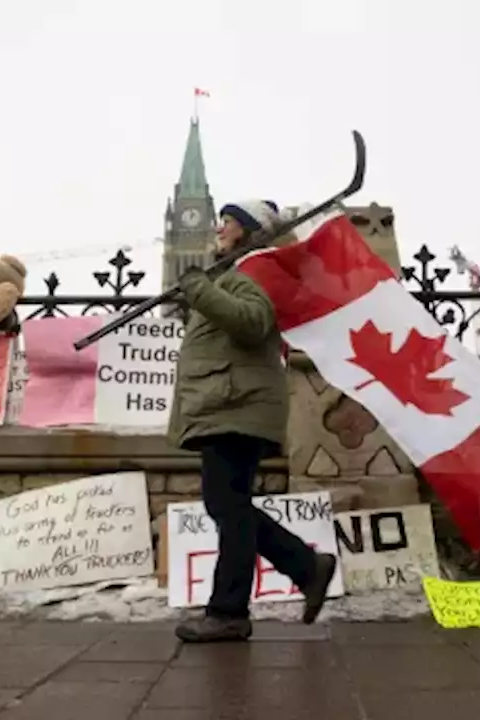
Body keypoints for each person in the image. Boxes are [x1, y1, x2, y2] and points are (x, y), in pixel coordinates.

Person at [168, 199, 337, 643]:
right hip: (227, 402)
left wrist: (197, 288)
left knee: (227, 506)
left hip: (236, 404)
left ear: (246, 230)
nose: (218, 231)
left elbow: (251, 322)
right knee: (229, 504)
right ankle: (305, 566)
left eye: (226, 224)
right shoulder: (235, 274)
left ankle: (229, 611)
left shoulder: (254, 272)